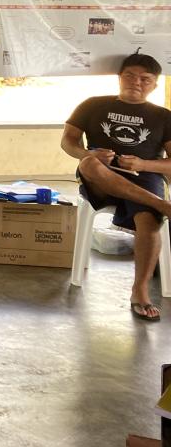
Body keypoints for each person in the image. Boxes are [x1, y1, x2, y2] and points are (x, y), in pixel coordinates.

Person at [62, 52, 171, 322]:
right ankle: (162, 205)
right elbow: (68, 141)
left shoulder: (164, 116)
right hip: (101, 176)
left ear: (154, 85)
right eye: (130, 76)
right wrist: (88, 153)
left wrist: (144, 164)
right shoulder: (92, 104)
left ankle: (140, 290)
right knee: (88, 164)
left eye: (146, 79)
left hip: (143, 177)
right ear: (119, 78)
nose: (137, 82)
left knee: (149, 222)